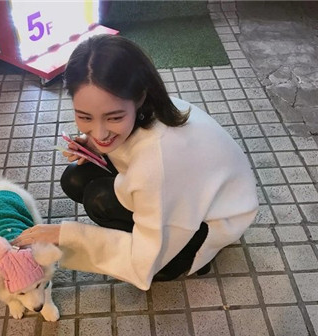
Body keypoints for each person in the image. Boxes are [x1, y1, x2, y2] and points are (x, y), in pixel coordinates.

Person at [13, 34, 258, 291]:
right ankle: (135, 230)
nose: (99, 133)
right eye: (85, 117)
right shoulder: (153, 108)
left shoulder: (157, 161)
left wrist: (64, 236)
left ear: (139, 97)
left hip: (213, 220)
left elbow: (143, 259)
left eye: (114, 117)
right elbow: (130, 149)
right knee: (76, 178)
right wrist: (93, 146)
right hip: (189, 194)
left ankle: (183, 257)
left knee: (100, 199)